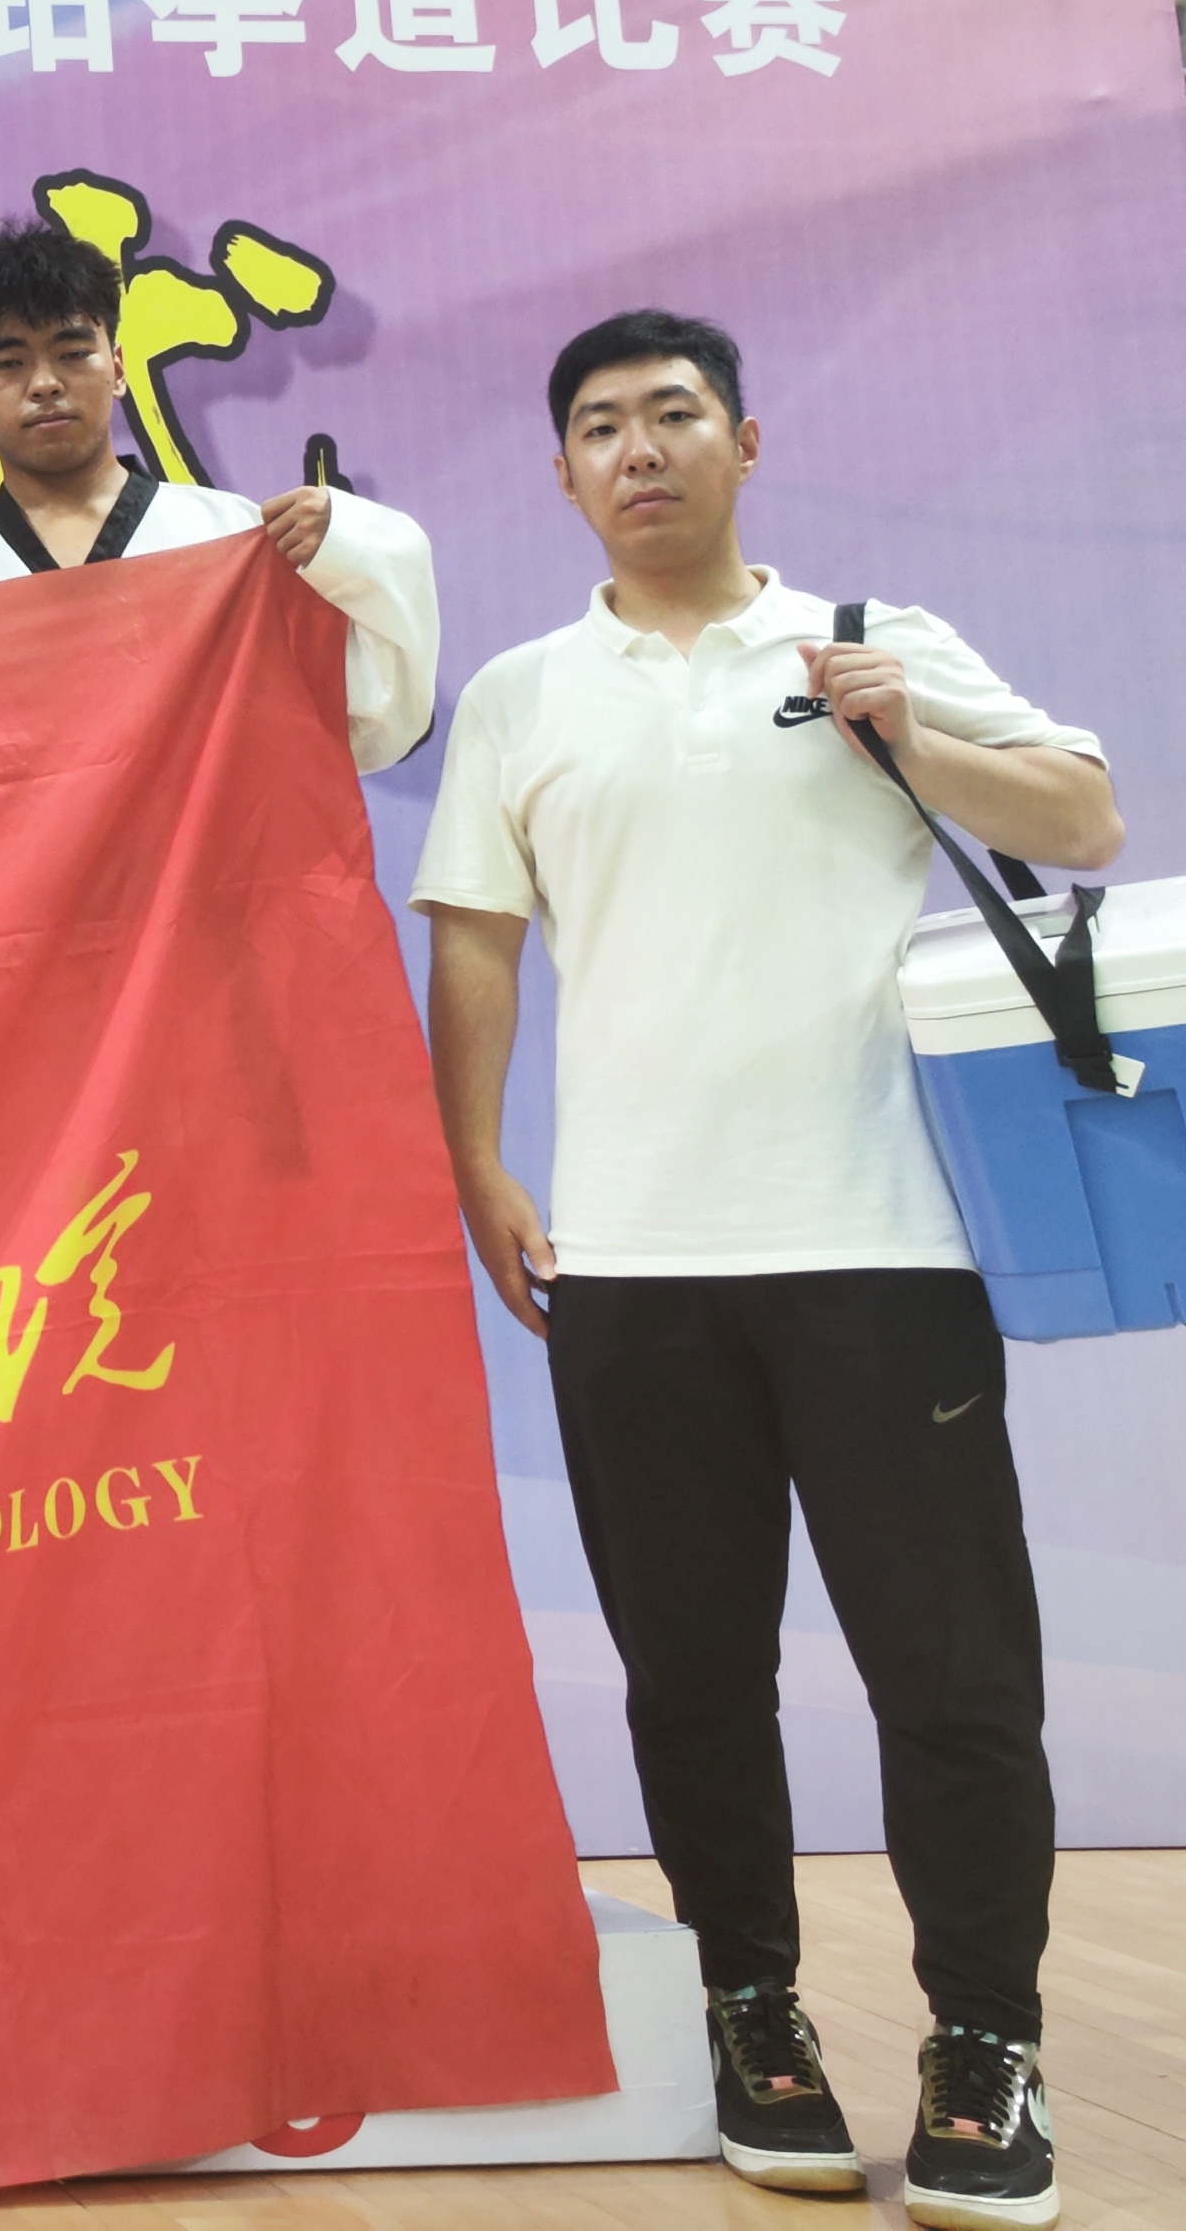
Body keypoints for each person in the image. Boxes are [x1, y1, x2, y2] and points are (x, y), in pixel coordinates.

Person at [412, 308, 1118, 2231]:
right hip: (632, 1266)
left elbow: (1086, 818)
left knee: (954, 1678)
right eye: (599, 426)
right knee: (695, 1678)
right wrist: (476, 1162)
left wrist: (912, 733)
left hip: (883, 1247)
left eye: (673, 414)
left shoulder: (865, 640)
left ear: (744, 440)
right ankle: (755, 2014)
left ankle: (985, 2046)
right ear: (562, 471)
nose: (638, 449)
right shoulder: (522, 694)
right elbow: (475, 936)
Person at [0, 207, 439, 769]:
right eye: (9, 363)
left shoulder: (232, 539)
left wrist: (351, 544)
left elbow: (374, 714)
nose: (44, 383)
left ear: (118, 367)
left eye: (73, 354)